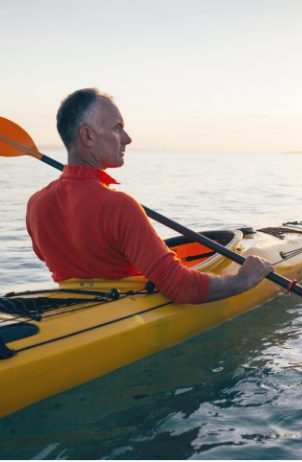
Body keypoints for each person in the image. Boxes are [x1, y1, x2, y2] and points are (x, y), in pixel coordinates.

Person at [26, 88, 273, 304]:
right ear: (87, 136)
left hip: (69, 309)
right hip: (124, 310)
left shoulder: (36, 204)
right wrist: (243, 280)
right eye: (117, 128)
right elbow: (180, 287)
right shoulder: (119, 206)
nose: (127, 139)